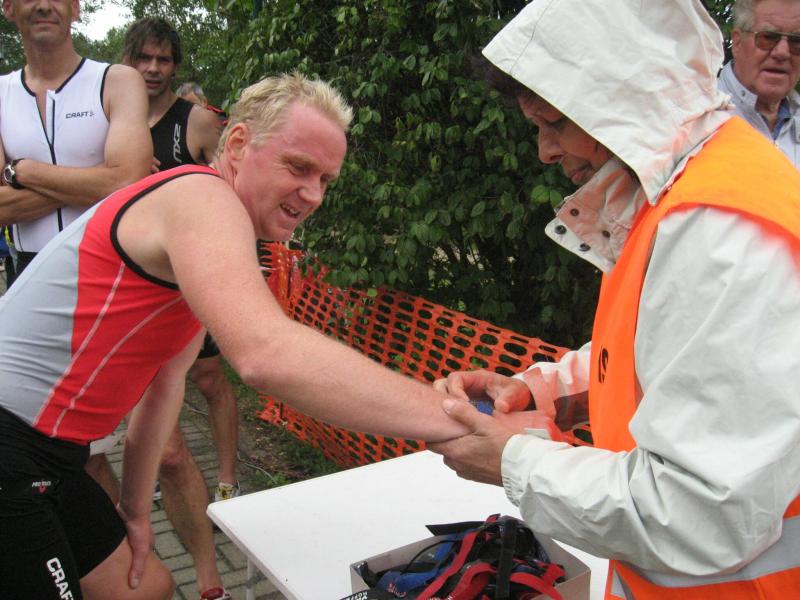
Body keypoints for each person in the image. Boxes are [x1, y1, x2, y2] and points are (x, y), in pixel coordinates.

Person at [0, 72, 536, 600]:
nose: (313, 194)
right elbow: (265, 354)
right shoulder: (202, 197)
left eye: (326, 180)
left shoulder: (201, 230)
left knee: (148, 587)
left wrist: (136, 512)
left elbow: (165, 386)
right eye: (298, 166)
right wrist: (461, 422)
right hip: (13, 442)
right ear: (237, 144)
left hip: (51, 451)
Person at [430, 1, 800, 598]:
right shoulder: (688, 194)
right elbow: (661, 354)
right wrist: (544, 391)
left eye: (554, 123)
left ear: (623, 101)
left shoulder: (717, 231)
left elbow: (701, 512)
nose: (546, 151)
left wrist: (514, 461)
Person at [115, 17, 236, 600]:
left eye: (163, 59)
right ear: (129, 61)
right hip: (137, 292)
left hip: (191, 283)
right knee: (163, 417)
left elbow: (235, 184)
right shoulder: (114, 121)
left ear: (175, 65)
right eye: (144, 58)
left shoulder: (197, 120)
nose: (153, 69)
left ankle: (229, 483)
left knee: (209, 380)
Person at [0, 0, 151, 273]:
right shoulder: (2, 93)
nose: (44, 6)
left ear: (75, 8)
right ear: (8, 7)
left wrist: (23, 171)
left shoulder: (118, 82)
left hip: (109, 266)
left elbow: (128, 183)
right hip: (28, 270)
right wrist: (99, 182)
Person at [717, 0, 800, 166]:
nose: (782, 52)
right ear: (737, 43)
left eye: (796, 41)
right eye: (768, 37)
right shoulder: (693, 115)